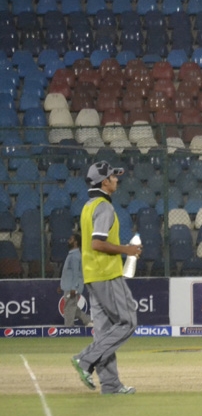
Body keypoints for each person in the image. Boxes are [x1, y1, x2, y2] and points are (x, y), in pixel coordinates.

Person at [71, 161, 142, 394]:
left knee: (104, 332)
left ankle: (110, 384)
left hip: (91, 274)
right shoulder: (104, 207)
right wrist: (126, 250)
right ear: (104, 182)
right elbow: (97, 243)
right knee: (128, 321)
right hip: (106, 273)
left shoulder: (87, 206)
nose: (116, 179)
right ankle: (85, 359)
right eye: (113, 176)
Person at [58, 233, 92, 327]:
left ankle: (68, 328)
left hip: (72, 287)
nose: (69, 240)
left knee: (69, 307)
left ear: (76, 242)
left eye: (71, 239)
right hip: (69, 286)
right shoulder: (73, 255)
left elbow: (76, 273)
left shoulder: (75, 256)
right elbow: (68, 273)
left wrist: (74, 288)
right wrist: (62, 285)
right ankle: (88, 321)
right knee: (72, 307)